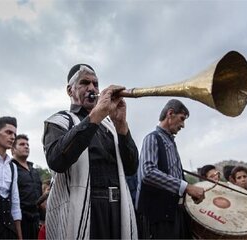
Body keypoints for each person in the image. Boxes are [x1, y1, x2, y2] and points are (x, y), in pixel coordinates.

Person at [42, 63, 138, 239]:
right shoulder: (59, 121)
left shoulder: (110, 126)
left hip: (118, 209)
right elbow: (56, 161)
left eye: (95, 84)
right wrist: (96, 115)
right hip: (85, 211)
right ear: (70, 91)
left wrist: (121, 124)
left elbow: (131, 168)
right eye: (85, 82)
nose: (92, 88)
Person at [136, 99, 205, 239]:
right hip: (158, 217)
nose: (183, 125)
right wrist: (187, 187)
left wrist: (188, 194)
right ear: (170, 113)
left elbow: (175, 177)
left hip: (173, 215)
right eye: (181, 119)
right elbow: (148, 173)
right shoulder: (152, 138)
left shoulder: (170, 142)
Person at [11, 134, 42, 239]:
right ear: (13, 150)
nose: (26, 146)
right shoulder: (10, 168)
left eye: (27, 144)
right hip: (19, 222)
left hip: (37, 221)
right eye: (22, 144)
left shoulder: (35, 171)